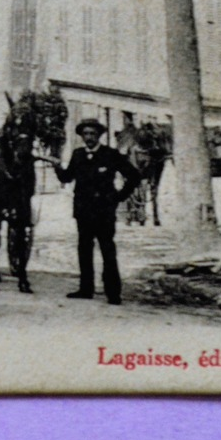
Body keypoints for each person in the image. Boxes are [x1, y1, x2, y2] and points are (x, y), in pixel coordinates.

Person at [44, 118, 142, 305]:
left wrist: (118, 197)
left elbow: (134, 176)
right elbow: (67, 177)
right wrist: (57, 166)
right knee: (84, 249)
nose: (89, 137)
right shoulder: (78, 155)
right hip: (83, 211)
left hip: (104, 212)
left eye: (93, 134)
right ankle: (85, 289)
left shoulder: (110, 155)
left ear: (99, 136)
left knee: (107, 250)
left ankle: (113, 293)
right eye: (86, 134)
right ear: (81, 136)